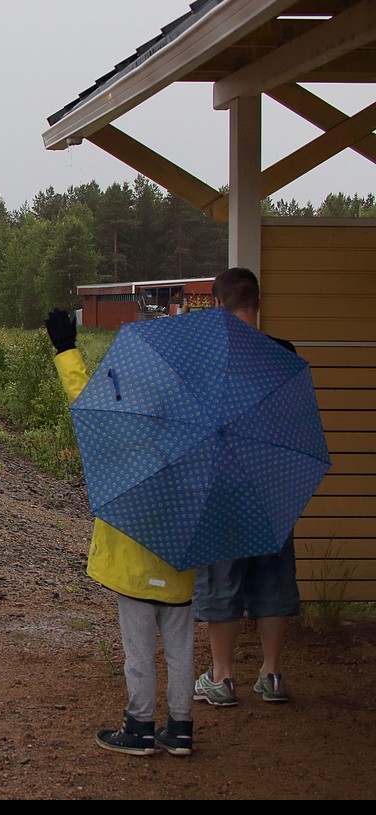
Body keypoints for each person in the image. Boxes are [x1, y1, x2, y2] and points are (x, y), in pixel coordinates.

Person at [45, 308, 196, 757]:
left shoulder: (123, 426)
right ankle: (182, 728)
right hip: (180, 561)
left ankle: (140, 726)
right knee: (181, 650)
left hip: (132, 560)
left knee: (139, 650)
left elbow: (83, 400)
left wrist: (67, 350)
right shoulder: (197, 433)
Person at [193, 267, 300, 707]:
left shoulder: (209, 356)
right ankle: (272, 675)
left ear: (219, 305)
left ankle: (222, 677)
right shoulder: (285, 353)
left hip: (224, 487)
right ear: (257, 302)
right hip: (275, 484)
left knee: (223, 580)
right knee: (273, 579)